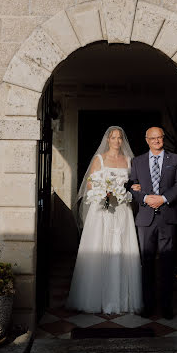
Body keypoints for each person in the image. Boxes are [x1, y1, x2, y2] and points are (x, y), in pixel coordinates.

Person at [65, 126, 143, 314]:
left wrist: (133, 190)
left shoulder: (129, 160)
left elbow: (134, 184)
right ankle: (96, 297)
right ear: (107, 140)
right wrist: (103, 194)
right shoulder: (99, 159)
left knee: (121, 248)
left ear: (123, 140)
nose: (116, 141)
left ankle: (121, 300)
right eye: (113, 137)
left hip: (122, 210)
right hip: (101, 211)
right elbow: (90, 185)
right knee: (100, 248)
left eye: (119, 138)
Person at [129, 127, 177, 319]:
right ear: (147, 140)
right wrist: (144, 198)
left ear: (163, 138)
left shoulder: (175, 160)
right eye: (152, 138)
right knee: (147, 263)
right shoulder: (137, 161)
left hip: (168, 217)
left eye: (159, 137)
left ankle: (166, 306)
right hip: (146, 219)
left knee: (167, 262)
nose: (156, 140)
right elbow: (132, 185)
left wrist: (162, 199)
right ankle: (148, 305)